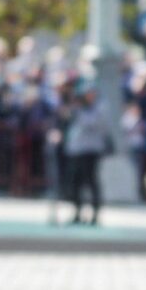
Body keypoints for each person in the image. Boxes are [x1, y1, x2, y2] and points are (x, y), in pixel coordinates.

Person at [62, 82, 107, 224]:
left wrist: (80, 111)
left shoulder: (100, 107)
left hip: (91, 150)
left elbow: (93, 123)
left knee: (91, 182)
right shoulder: (78, 108)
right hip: (76, 150)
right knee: (75, 182)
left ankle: (95, 214)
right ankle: (76, 212)